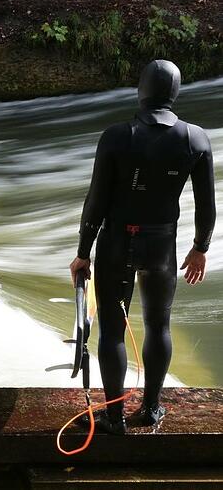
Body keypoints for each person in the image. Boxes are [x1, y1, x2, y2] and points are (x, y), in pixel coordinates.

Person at [69, 59, 215, 434]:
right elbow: (207, 206)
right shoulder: (195, 138)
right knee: (158, 325)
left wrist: (83, 252)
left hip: (118, 241)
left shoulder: (118, 136)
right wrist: (200, 248)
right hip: (162, 243)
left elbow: (95, 201)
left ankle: (114, 417)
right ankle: (151, 409)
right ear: (176, 93)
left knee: (114, 331)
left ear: (142, 90)